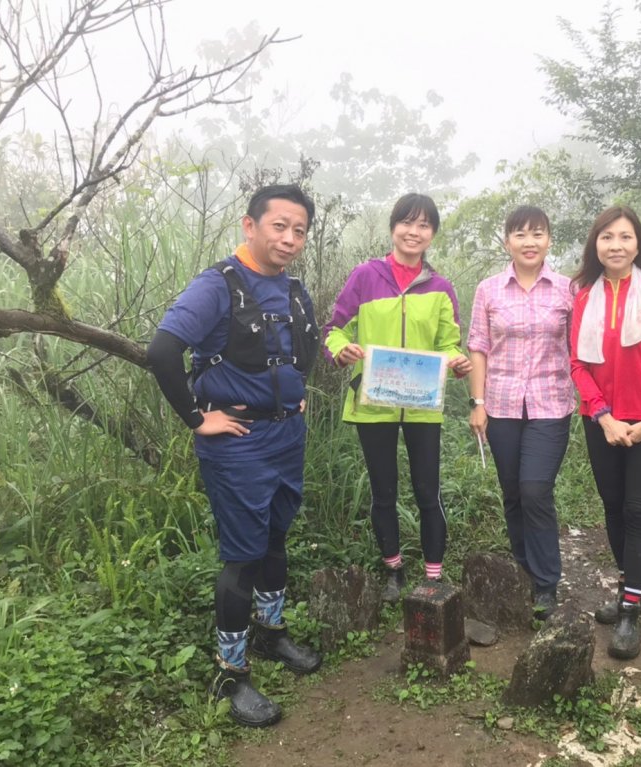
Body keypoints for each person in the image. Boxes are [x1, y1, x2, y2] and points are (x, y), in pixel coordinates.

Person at [146, 185, 322, 728]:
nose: (289, 239)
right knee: (242, 554)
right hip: (237, 443)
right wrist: (200, 419)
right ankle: (231, 670)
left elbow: (306, 352)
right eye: (279, 226)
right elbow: (162, 351)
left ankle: (271, 634)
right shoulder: (216, 285)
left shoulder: (293, 290)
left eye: (299, 230)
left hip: (285, 436)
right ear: (250, 226)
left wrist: (291, 398)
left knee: (275, 537)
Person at [323, 193, 472, 602]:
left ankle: (434, 575)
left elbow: (449, 343)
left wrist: (458, 362)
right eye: (407, 222)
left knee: (429, 491)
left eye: (424, 225)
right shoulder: (365, 277)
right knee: (383, 490)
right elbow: (335, 329)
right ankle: (393, 570)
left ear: (432, 234)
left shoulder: (440, 287)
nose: (414, 231)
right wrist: (340, 350)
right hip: (374, 402)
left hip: (423, 404)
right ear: (393, 228)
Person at [570, 206, 641, 659]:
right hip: (601, 423)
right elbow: (577, 364)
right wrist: (604, 416)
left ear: (639, 244)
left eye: (625, 237)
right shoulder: (582, 297)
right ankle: (628, 590)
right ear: (595, 245)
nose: (616, 245)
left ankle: (630, 611)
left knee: (638, 510)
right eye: (607, 237)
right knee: (613, 509)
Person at [467, 206, 573, 619]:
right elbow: (478, 345)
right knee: (513, 491)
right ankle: (522, 568)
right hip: (503, 404)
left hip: (550, 403)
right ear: (507, 240)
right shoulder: (489, 290)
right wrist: (478, 403)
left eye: (538, 233)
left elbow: (581, 347)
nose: (529, 242)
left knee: (535, 489)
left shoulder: (567, 289)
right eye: (520, 234)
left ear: (549, 239)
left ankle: (547, 581)